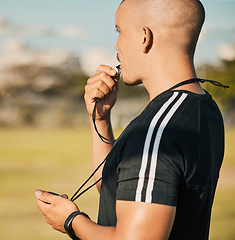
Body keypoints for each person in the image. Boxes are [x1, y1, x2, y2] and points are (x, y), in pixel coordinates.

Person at [35, 0, 226, 239]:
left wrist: (72, 221)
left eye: (119, 31)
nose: (116, 45)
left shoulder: (156, 130)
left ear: (144, 37)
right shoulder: (204, 107)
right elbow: (117, 187)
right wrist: (101, 118)